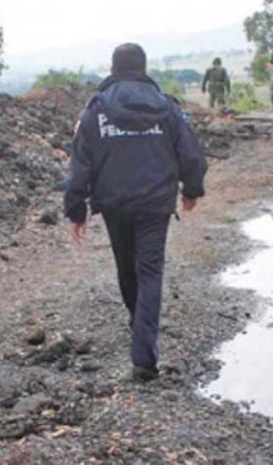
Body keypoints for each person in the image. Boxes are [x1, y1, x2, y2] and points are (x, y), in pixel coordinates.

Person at [64, 43, 207, 381]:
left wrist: (76, 209)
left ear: (113, 70)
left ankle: (140, 337)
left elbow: (79, 164)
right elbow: (191, 154)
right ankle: (143, 348)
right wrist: (192, 189)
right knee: (149, 272)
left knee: (128, 268)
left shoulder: (95, 111)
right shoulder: (166, 106)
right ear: (144, 69)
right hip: (155, 204)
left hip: (115, 204)